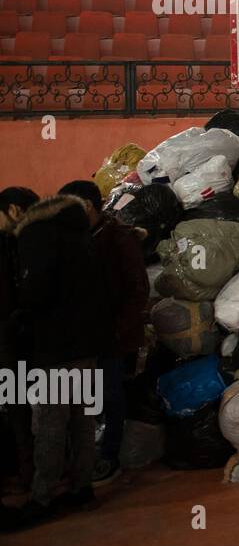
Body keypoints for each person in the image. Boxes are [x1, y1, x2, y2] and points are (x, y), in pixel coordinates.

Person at [1, 192, 114, 531]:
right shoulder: (77, 230)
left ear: (16, 210)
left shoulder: (37, 235)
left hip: (56, 345)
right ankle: (82, 488)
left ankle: (42, 497)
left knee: (51, 421)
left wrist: (20, 313)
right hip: (88, 342)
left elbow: (36, 291)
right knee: (82, 419)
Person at [58, 181, 150, 487]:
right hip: (87, 335)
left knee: (111, 394)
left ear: (86, 206)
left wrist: (116, 330)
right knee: (90, 396)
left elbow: (138, 291)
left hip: (112, 337)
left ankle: (109, 454)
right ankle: (91, 449)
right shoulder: (79, 239)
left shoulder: (119, 240)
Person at [0, 187, 39, 498]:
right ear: (14, 210)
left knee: (20, 406)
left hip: (15, 339)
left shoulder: (15, 242)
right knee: (17, 407)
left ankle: (26, 469)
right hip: (8, 341)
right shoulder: (11, 243)